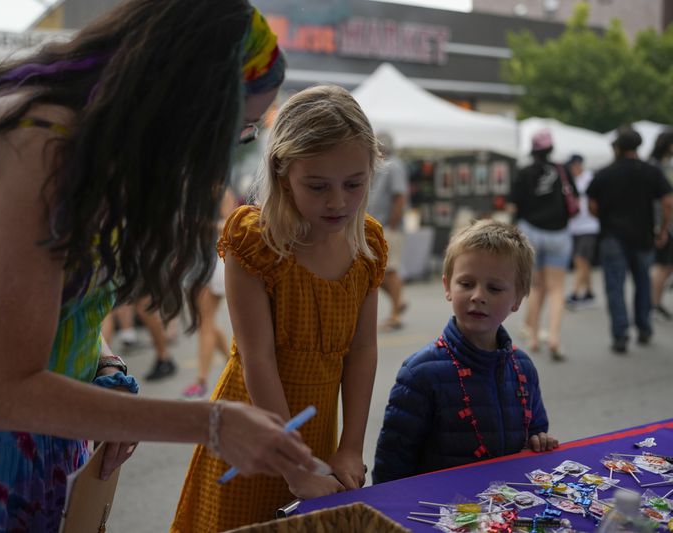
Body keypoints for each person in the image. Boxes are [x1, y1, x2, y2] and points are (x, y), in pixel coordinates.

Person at [0, 3, 317, 530]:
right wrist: (213, 422)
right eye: (239, 128)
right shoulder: (40, 147)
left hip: (17, 463)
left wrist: (106, 366)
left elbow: (44, 305)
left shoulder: (89, 145)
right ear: (190, 104)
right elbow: (10, 389)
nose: (232, 146)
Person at [172, 85, 386, 532]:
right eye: (318, 186)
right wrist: (293, 466)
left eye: (353, 184)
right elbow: (258, 358)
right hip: (252, 434)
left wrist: (350, 447)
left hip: (321, 437)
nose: (338, 202)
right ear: (282, 171)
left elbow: (363, 351)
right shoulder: (256, 239)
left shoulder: (367, 244)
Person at [373, 219, 557, 483]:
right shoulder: (420, 373)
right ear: (448, 286)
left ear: (517, 298)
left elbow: (536, 429)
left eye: (494, 288)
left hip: (503, 510)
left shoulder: (523, 368)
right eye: (466, 283)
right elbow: (391, 466)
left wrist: (539, 441)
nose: (478, 296)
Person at [588, 127, 673, 353]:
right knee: (643, 282)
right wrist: (663, 229)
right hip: (643, 235)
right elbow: (668, 202)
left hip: (612, 236)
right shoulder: (651, 172)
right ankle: (644, 328)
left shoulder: (604, 173)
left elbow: (592, 205)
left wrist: (605, 218)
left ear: (617, 148)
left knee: (615, 286)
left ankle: (620, 334)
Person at [508, 129, 576, 361]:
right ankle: (554, 337)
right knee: (557, 289)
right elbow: (574, 199)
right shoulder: (562, 170)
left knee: (536, 288)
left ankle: (534, 337)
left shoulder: (525, 172)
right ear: (551, 148)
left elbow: (513, 204)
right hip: (559, 233)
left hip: (531, 233)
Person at [181, 188, 237, 399]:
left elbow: (229, 225)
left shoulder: (221, 192)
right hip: (196, 262)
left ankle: (201, 381)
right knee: (208, 322)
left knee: (205, 322)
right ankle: (233, 367)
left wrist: (202, 224)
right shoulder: (196, 189)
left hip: (211, 263)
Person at [368, 131, 409, 331]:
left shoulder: (394, 165)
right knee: (380, 271)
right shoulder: (383, 166)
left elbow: (399, 196)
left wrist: (392, 224)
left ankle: (395, 314)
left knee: (389, 270)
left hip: (389, 227)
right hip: (381, 226)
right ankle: (398, 302)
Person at [565, 154, 600, 309]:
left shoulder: (590, 179)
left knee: (580, 259)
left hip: (589, 226)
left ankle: (575, 293)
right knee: (584, 261)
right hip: (574, 226)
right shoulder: (569, 180)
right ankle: (589, 292)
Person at [649, 131, 673, 320]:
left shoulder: (660, 165)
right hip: (664, 223)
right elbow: (663, 202)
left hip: (665, 222)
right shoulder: (657, 167)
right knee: (663, 264)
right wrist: (661, 226)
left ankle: (654, 301)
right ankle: (653, 302)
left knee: (665, 264)